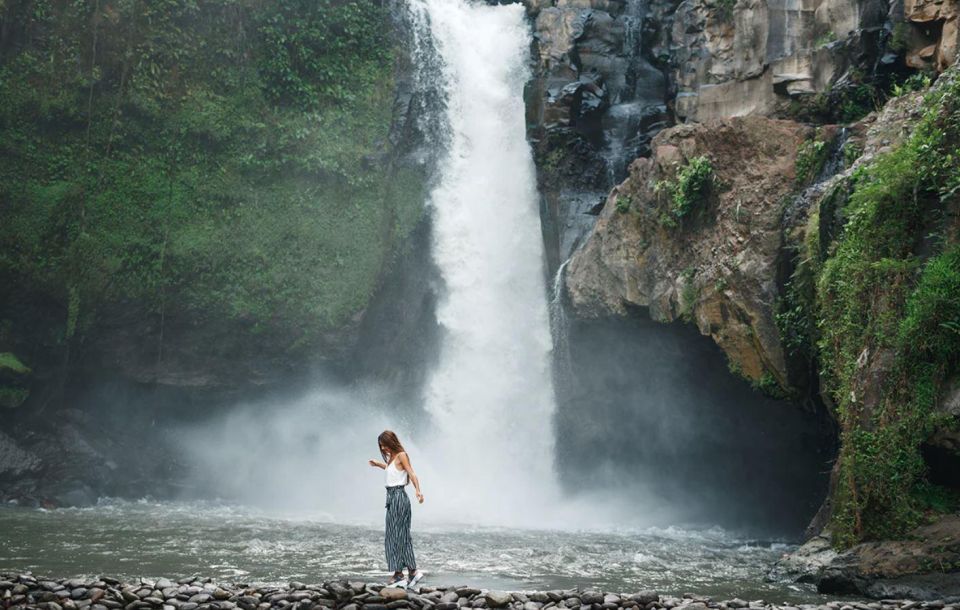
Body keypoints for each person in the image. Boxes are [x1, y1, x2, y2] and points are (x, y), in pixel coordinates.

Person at [368, 430, 424, 588]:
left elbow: (411, 473)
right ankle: (412, 572)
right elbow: (392, 471)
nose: (383, 448)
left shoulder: (401, 455)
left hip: (399, 496)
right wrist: (378, 464)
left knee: (395, 536)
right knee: (399, 534)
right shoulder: (392, 458)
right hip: (392, 498)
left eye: (385, 444)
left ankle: (399, 574)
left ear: (391, 442)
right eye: (381, 446)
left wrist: (418, 491)